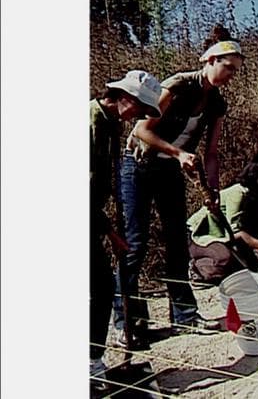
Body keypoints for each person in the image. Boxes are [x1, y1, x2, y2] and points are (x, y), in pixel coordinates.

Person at [113, 25, 244, 346]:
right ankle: (126, 321)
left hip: (170, 169)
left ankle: (184, 315)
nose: (230, 75)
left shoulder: (217, 104)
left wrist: (212, 190)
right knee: (135, 242)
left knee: (176, 241)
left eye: (235, 71)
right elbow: (142, 130)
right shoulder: (179, 84)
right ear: (210, 60)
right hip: (139, 165)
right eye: (227, 67)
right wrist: (178, 153)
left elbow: (210, 153)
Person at [90, 70, 162, 381]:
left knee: (101, 286)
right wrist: (109, 230)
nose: (140, 116)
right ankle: (90, 360)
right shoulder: (90, 123)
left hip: (89, 213)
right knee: (102, 286)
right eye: (140, 109)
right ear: (124, 98)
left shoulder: (110, 124)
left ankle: (91, 357)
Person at [186, 150, 258, 284]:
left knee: (248, 264)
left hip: (223, 236)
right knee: (224, 259)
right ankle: (197, 268)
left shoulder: (256, 198)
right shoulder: (238, 193)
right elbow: (235, 232)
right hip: (199, 236)